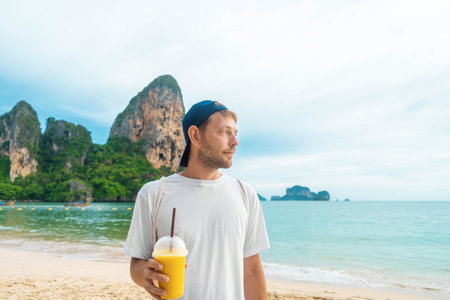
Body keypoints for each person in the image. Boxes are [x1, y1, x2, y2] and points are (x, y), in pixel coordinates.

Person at [124, 100, 270, 299]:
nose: (234, 142)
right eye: (224, 132)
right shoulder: (154, 194)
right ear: (195, 135)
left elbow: (252, 270)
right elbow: (137, 265)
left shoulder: (245, 194)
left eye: (235, 133)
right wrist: (146, 275)